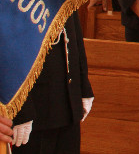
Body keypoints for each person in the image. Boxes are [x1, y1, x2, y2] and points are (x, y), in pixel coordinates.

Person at [11, 14, 93, 154]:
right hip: (34, 107)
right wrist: (20, 107)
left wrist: (83, 86)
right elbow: (6, 45)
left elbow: (74, 26)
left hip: (68, 102)